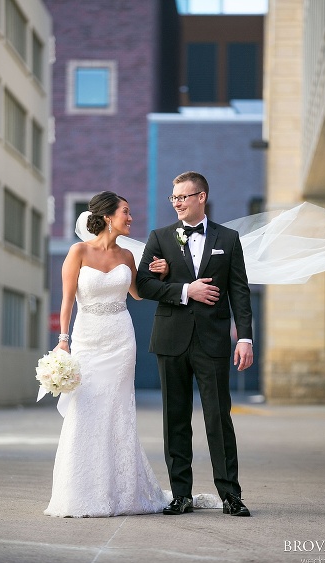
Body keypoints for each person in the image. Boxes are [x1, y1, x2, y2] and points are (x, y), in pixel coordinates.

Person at [45, 192, 171, 517]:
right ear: (107, 216)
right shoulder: (78, 251)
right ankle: (79, 491)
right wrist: (63, 340)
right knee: (85, 409)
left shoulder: (128, 256)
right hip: (87, 338)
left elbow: (138, 295)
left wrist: (159, 273)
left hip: (120, 339)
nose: (131, 218)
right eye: (126, 212)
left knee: (117, 411)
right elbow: (67, 300)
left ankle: (122, 493)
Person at [136, 171, 253, 517]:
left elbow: (239, 292)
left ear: (201, 197)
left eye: (183, 197)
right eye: (173, 198)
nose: (177, 203)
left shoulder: (228, 239)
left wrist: (244, 336)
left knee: (219, 417)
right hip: (171, 339)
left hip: (213, 341)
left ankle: (230, 495)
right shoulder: (159, 237)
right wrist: (187, 290)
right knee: (175, 418)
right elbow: (142, 286)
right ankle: (181, 495)